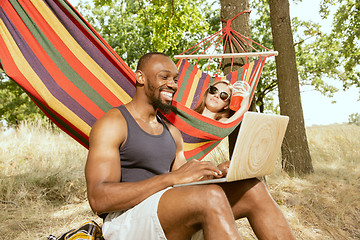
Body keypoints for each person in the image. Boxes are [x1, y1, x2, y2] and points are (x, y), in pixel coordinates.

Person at [85, 52, 296, 240]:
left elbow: (183, 184)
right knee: (210, 197)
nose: (173, 84)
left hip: (164, 210)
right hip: (126, 221)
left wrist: (215, 174)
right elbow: (98, 199)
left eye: (175, 79)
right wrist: (170, 179)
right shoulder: (114, 123)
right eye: (164, 77)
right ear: (140, 77)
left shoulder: (171, 132)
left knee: (252, 188)